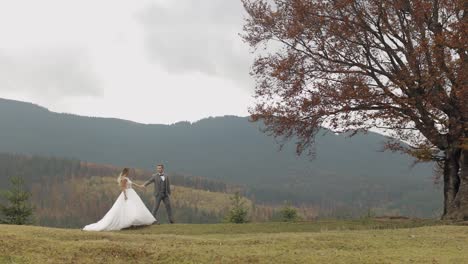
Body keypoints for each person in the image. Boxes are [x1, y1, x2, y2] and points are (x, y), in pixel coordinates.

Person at [83, 168, 156, 231]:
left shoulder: (127, 178)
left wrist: (140, 186)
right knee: (129, 207)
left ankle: (135, 222)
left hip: (132, 193)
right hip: (127, 193)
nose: (129, 173)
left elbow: (132, 184)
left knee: (135, 207)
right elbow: (123, 188)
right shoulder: (123, 179)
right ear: (126, 172)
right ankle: (130, 222)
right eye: (128, 172)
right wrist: (125, 195)